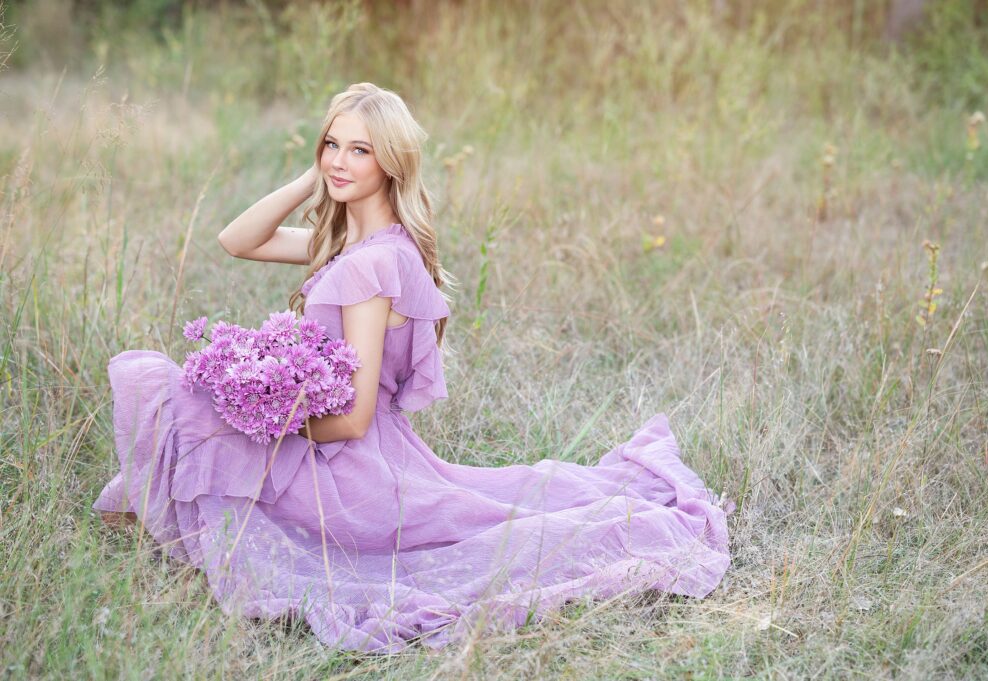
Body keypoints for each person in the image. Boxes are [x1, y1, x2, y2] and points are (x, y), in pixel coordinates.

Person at [93, 82, 734, 654]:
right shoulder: (353, 245)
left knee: (178, 395)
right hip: (360, 456)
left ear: (392, 162)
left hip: (350, 471)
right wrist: (313, 181)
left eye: (361, 151)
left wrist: (266, 425)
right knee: (197, 398)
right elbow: (239, 240)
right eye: (331, 144)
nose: (341, 160)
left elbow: (353, 420)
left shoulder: (371, 267)